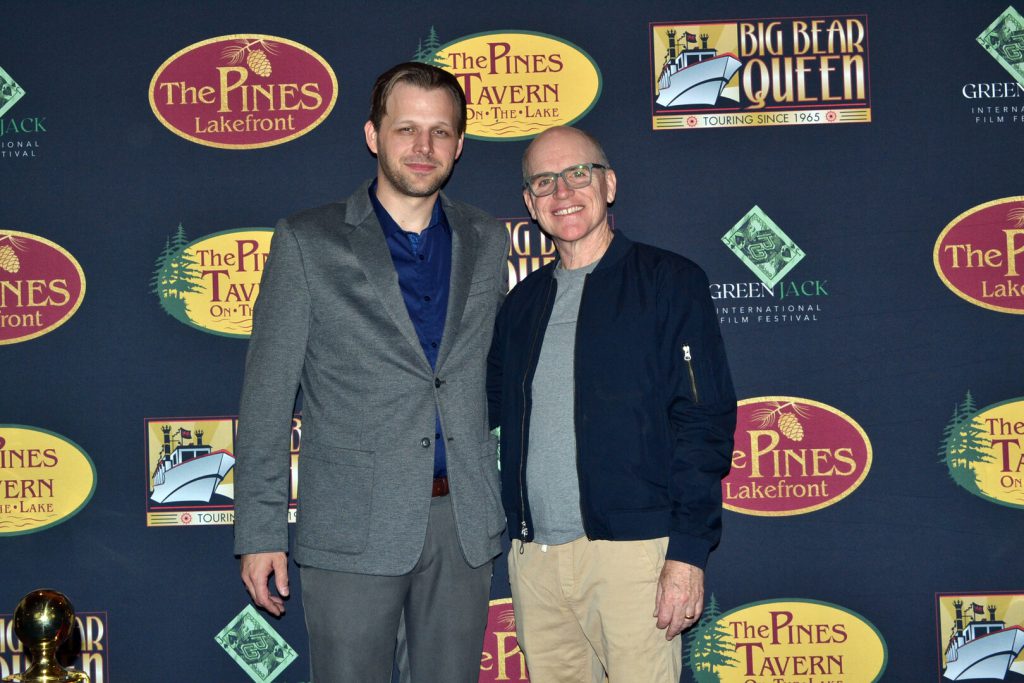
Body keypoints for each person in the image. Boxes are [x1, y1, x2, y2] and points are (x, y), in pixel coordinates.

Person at [234, 62, 509, 683]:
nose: (423, 147)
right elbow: (267, 396)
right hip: (351, 524)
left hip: (461, 526)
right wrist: (259, 529)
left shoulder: (487, 240)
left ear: (460, 146)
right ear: (372, 135)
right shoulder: (308, 240)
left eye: (440, 132)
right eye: (406, 128)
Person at [487, 126, 736, 682]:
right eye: (544, 182)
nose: (562, 192)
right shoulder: (521, 306)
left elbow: (704, 423)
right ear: (529, 204)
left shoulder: (670, 283)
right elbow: (483, 411)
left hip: (635, 557)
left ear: (609, 184)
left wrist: (688, 553)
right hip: (536, 561)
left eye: (578, 173)